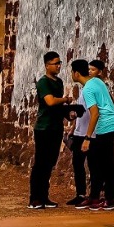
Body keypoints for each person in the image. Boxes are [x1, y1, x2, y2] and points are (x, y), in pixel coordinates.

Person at [74, 57, 114, 207]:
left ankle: (99, 198)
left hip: (104, 126)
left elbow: (94, 113)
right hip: (113, 123)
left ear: (76, 74)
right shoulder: (98, 82)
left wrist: (87, 138)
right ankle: (105, 198)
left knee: (98, 164)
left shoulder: (88, 88)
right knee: (105, 163)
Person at [28, 51, 68, 210]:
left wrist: (68, 111)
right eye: (55, 63)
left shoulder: (59, 82)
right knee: (40, 163)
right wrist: (65, 100)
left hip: (56, 126)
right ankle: (34, 198)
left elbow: (57, 106)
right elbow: (50, 101)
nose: (58, 66)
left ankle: (44, 196)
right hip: (44, 127)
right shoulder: (43, 82)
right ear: (46, 65)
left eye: (59, 63)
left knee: (50, 163)